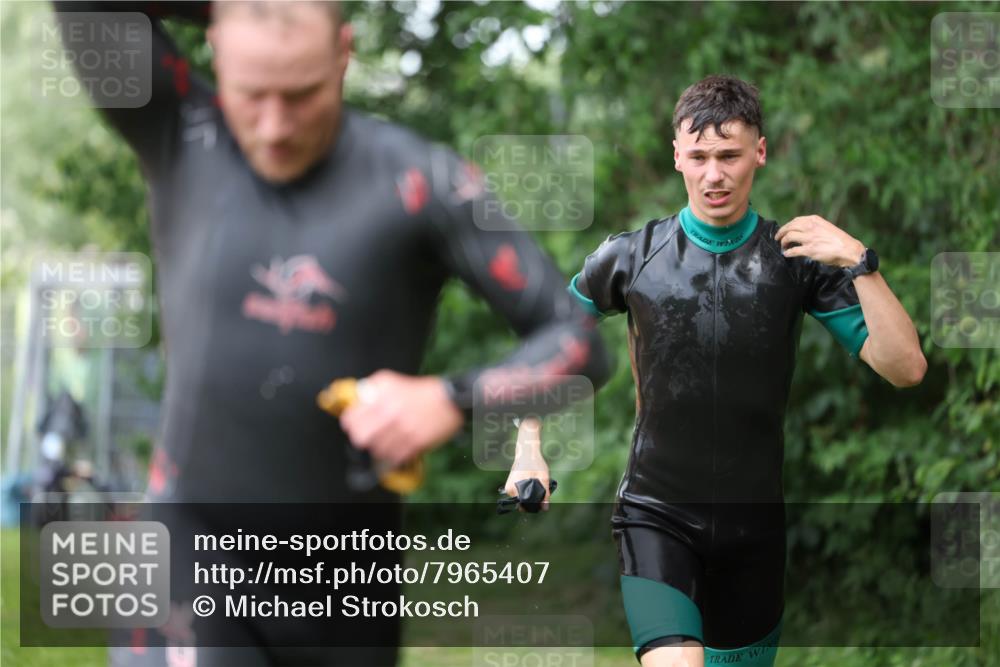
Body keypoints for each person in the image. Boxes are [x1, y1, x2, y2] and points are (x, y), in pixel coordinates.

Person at [52, 2, 610, 665]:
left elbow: (575, 339)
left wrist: (450, 398)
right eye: (252, 93)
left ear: (343, 53)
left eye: (302, 94)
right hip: (187, 558)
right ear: (217, 50)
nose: (275, 124)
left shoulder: (420, 181)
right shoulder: (182, 131)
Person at [534, 74, 924, 667]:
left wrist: (859, 262)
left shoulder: (796, 261)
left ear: (759, 153)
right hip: (654, 515)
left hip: (755, 532)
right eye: (699, 157)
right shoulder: (631, 257)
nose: (714, 174)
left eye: (729, 155)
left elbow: (905, 368)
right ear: (677, 158)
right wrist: (527, 447)